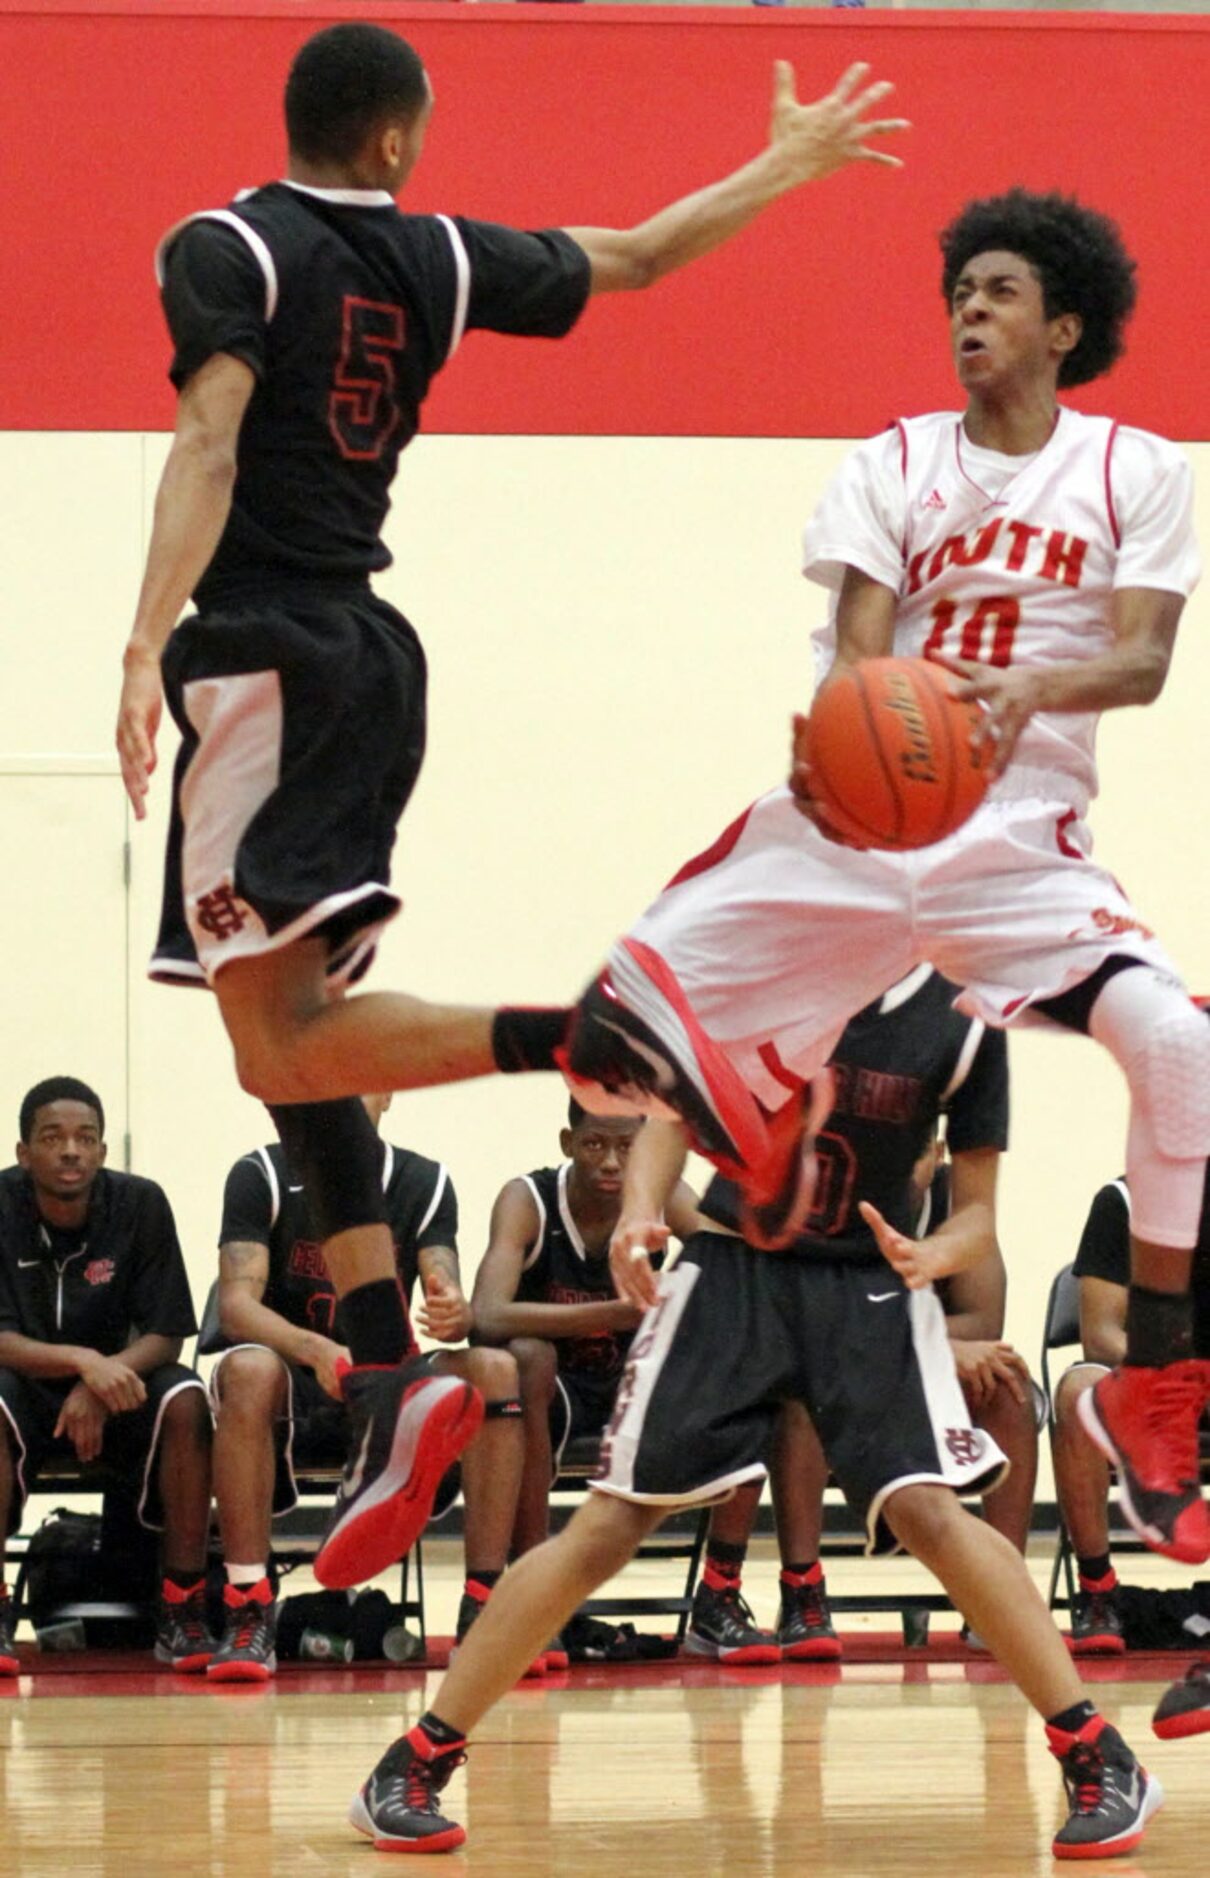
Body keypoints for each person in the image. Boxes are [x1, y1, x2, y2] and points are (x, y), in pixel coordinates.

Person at [114, 21, 907, 1591]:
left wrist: (145, 637)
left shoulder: (222, 245)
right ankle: (388, 1365)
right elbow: (632, 259)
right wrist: (786, 163)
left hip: (265, 650)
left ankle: (588, 1040)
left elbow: (208, 439)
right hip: (366, 659)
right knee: (287, 1028)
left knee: (276, 1038)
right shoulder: (433, 262)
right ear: (399, 138)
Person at [562, 187, 1209, 1576]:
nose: (966, 314)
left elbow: (1144, 663)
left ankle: (1153, 1380)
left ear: (1065, 322)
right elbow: (858, 652)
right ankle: (394, 1369)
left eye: (994, 292)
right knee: (614, 1035)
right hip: (855, 821)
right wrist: (902, 706)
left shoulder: (1135, 470)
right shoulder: (891, 463)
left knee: (1176, 1041)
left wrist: (1015, 690)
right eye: (954, 294)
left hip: (1015, 832)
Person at [349, 1102, 1162, 1860]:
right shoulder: (750, 964)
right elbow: (669, 1113)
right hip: (734, 1278)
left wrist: (931, 1260)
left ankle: (1098, 1754)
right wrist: (641, 1211)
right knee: (606, 1528)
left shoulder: (956, 1019)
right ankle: (417, 1758)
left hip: (860, 1285)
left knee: (933, 1515)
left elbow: (975, 1211)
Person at [684, 969, 1034, 1665]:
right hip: (812, 1340)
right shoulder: (789, 1194)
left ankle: (1009, 1611)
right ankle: (784, 1587)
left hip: (888, 1360)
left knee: (1007, 1389)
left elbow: (982, 1321)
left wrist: (930, 1329)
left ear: (932, 1152)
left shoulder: (951, 1211)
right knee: (612, 1521)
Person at [208, 1094, 522, 1680]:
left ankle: (485, 1604)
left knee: (495, 1370)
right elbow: (235, 1307)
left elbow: (440, 1274)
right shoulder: (262, 1174)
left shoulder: (422, 1180)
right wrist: (316, 1349)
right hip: (293, 1379)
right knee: (248, 1369)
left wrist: (451, 1307)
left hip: (384, 1380)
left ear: (386, 1092)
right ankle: (248, 1608)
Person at [0, 1078, 212, 1674]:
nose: (71, 1149)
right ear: (24, 1153)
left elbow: (168, 1331)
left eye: (85, 1138)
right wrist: (83, 1364)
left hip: (123, 1386)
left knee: (188, 1398)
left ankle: (182, 1606)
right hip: (24, 1383)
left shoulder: (141, 1204)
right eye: (53, 1137)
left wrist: (103, 1377)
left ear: (101, 1152)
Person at [470, 1102, 700, 1572]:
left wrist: (681, 1299)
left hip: (627, 1385)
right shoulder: (527, 1199)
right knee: (529, 1358)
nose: (612, 1162)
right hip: (552, 1393)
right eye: (595, 1144)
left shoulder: (664, 1196)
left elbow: (733, 1261)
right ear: (568, 1143)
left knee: (746, 1362)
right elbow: (486, 1316)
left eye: (627, 1147)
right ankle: (531, 1567)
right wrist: (614, 1313)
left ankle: (721, 1588)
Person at [1052, 1164, 1210, 1737]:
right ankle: (1098, 1594)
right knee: (1076, 1392)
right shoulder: (1123, 1199)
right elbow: (1101, 1333)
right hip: (1148, 1381)